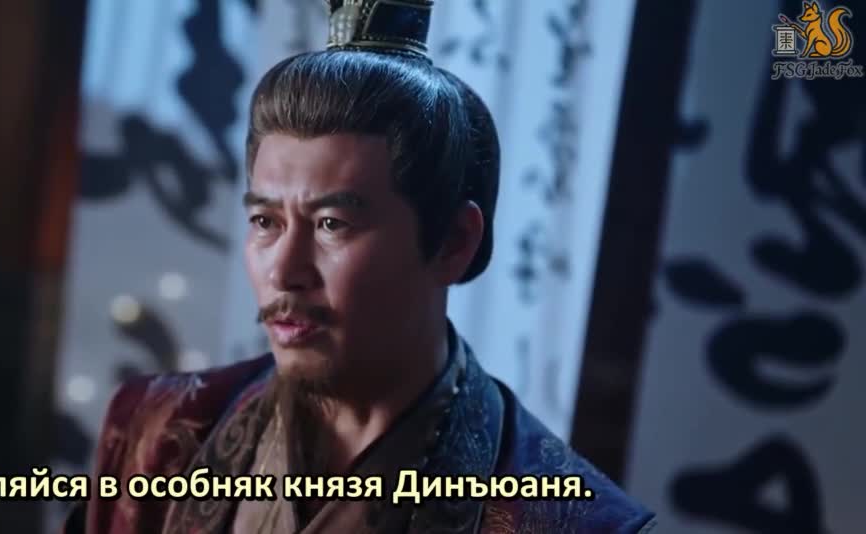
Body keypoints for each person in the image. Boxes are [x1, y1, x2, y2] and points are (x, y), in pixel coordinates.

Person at [64, 1, 655, 532]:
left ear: (453, 242)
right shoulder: (154, 434)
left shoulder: (572, 523)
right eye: (266, 221)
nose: (284, 272)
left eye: (332, 224)